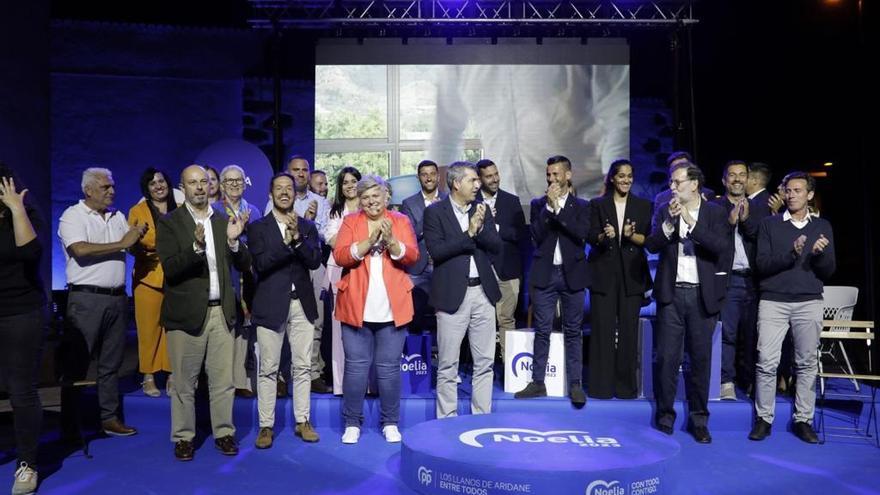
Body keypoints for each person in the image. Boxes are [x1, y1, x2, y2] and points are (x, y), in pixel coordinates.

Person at [156, 165, 251, 461]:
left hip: (221, 312)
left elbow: (244, 263)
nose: (199, 187)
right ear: (182, 187)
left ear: (211, 185)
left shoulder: (223, 220)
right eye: (192, 182)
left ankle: (224, 433)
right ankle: (183, 437)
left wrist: (234, 241)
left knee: (223, 382)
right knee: (184, 383)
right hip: (186, 316)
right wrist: (196, 248)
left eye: (204, 182)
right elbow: (171, 268)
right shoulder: (170, 223)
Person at [429, 65, 630, 199]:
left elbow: (619, 112)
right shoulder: (459, 57)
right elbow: (445, 133)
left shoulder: (580, 32)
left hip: (584, 197)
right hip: (505, 205)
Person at [645, 162, 731, 444]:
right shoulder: (664, 210)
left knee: (700, 360)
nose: (672, 187)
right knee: (667, 359)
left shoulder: (715, 213)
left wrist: (690, 222)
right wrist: (670, 224)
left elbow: (719, 247)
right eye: (671, 182)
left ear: (694, 184)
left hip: (701, 295)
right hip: (671, 295)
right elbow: (652, 244)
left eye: (677, 182)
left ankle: (699, 420)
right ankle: (665, 416)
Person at [58, 167, 146, 438]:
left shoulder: (117, 216)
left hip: (117, 299)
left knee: (111, 363)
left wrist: (137, 237)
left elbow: (130, 246)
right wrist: (122, 243)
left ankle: (109, 418)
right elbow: (80, 250)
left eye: (112, 186)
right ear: (88, 190)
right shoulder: (73, 215)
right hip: (87, 299)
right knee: (77, 362)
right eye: (106, 187)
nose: (112, 191)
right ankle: (70, 424)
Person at [749, 172, 835, 444]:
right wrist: (792, 254)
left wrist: (818, 255)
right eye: (788, 190)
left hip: (809, 301)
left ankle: (803, 420)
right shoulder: (770, 224)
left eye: (798, 190)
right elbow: (762, 265)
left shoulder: (822, 225)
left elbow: (828, 271)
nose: (791, 195)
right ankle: (764, 419)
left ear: (810, 195)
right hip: (773, 301)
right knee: (766, 362)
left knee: (806, 363)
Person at [332, 175, 418, 444]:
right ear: (360, 200)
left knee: (389, 369)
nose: (371, 201)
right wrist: (369, 241)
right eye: (365, 197)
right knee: (356, 369)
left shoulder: (401, 220)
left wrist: (391, 241)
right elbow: (340, 256)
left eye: (375, 196)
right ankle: (352, 423)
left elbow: (413, 256)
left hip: (392, 309)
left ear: (386, 197)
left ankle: (390, 422)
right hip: (356, 306)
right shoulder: (351, 221)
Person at [249, 172, 323, 448]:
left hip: (301, 304)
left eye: (288, 188)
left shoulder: (307, 226)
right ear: (271, 194)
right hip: (270, 305)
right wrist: (287, 243)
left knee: (302, 366)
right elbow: (261, 264)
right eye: (278, 188)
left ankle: (303, 421)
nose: (284, 192)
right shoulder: (258, 228)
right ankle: (266, 426)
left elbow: (314, 261)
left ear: (295, 194)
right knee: (268, 368)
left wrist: (299, 239)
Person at [425, 162, 502, 418]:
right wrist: (468, 233)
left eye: (478, 180)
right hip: (451, 296)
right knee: (448, 364)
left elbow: (495, 246)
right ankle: (447, 419)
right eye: (472, 180)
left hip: (483, 293)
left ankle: (481, 416)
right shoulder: (435, 213)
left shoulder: (481, 209)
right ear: (457, 184)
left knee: (485, 363)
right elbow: (437, 251)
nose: (478, 185)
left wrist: (479, 228)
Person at [514, 155, 590, 407]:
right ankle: (538, 382)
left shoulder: (582, 205)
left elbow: (581, 235)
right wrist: (548, 208)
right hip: (545, 275)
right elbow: (536, 236)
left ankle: (575, 384)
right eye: (548, 175)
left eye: (556, 174)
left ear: (568, 175)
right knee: (542, 330)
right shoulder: (538, 204)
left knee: (573, 331)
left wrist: (559, 209)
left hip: (572, 275)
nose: (551, 179)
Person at [265, 155, 333, 394]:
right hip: (284, 264)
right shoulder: (275, 201)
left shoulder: (320, 201)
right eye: (296, 170)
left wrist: (307, 225)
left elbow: (325, 234)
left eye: (305, 170)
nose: (301, 173)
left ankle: (312, 372)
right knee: (282, 319)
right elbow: (271, 231)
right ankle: (283, 375)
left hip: (312, 262)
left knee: (315, 320)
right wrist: (306, 224)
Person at [586, 159, 653, 399]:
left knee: (628, 332)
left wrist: (631, 235)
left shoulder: (644, 206)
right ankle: (600, 388)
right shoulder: (597, 204)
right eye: (621, 176)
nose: (626, 180)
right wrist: (604, 236)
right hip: (603, 275)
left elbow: (648, 240)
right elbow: (590, 236)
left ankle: (626, 388)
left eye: (629, 176)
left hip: (632, 276)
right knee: (602, 331)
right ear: (613, 178)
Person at [0, 164, 46, 495]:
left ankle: (27, 464)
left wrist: (15, 208)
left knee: (21, 391)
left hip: (21, 313)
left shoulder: (25, 212)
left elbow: (30, 253)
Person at [712, 160, 768, 400]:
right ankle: (726, 381)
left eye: (742, 175)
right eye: (732, 175)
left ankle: (751, 381)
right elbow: (712, 241)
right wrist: (730, 222)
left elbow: (761, 238)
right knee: (728, 334)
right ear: (724, 180)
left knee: (754, 335)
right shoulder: (715, 208)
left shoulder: (760, 208)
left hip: (755, 281)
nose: (737, 179)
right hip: (729, 279)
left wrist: (745, 220)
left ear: (748, 179)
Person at [127, 168, 177, 398]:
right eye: (152, 183)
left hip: (176, 277)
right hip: (148, 277)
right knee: (148, 329)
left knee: (173, 329)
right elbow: (131, 246)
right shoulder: (137, 211)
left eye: (161, 181)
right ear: (146, 188)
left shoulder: (180, 208)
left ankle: (172, 374)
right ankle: (148, 376)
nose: (158, 186)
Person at [215, 164, 262, 398]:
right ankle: (221, 381)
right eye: (230, 181)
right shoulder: (215, 210)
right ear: (222, 185)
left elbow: (259, 242)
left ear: (245, 183)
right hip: (224, 273)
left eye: (239, 180)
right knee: (225, 327)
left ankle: (240, 380)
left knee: (244, 328)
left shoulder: (253, 210)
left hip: (248, 273)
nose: (234, 184)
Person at [476, 159, 526, 359]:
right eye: (489, 176)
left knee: (506, 319)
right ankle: (484, 366)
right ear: (479, 179)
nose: (495, 179)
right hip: (481, 269)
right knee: (481, 321)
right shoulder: (471, 201)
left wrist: (493, 225)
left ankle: (508, 366)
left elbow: (520, 234)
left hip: (508, 269)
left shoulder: (511, 201)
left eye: (496, 174)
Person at [324, 166, 362, 394]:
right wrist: (359, 238)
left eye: (353, 181)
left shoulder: (369, 207)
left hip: (365, 271)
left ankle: (367, 384)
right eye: (345, 182)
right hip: (338, 271)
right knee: (339, 329)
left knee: (365, 326)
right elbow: (331, 239)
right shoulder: (335, 211)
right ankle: (340, 384)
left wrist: (349, 239)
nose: (349, 186)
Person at [401, 160, 447, 335]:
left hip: (444, 265)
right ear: (418, 177)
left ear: (438, 176)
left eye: (432, 174)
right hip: (418, 268)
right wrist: (430, 212)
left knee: (445, 316)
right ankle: (417, 351)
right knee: (415, 315)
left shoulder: (449, 199)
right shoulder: (408, 203)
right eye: (424, 174)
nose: (429, 178)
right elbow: (410, 235)